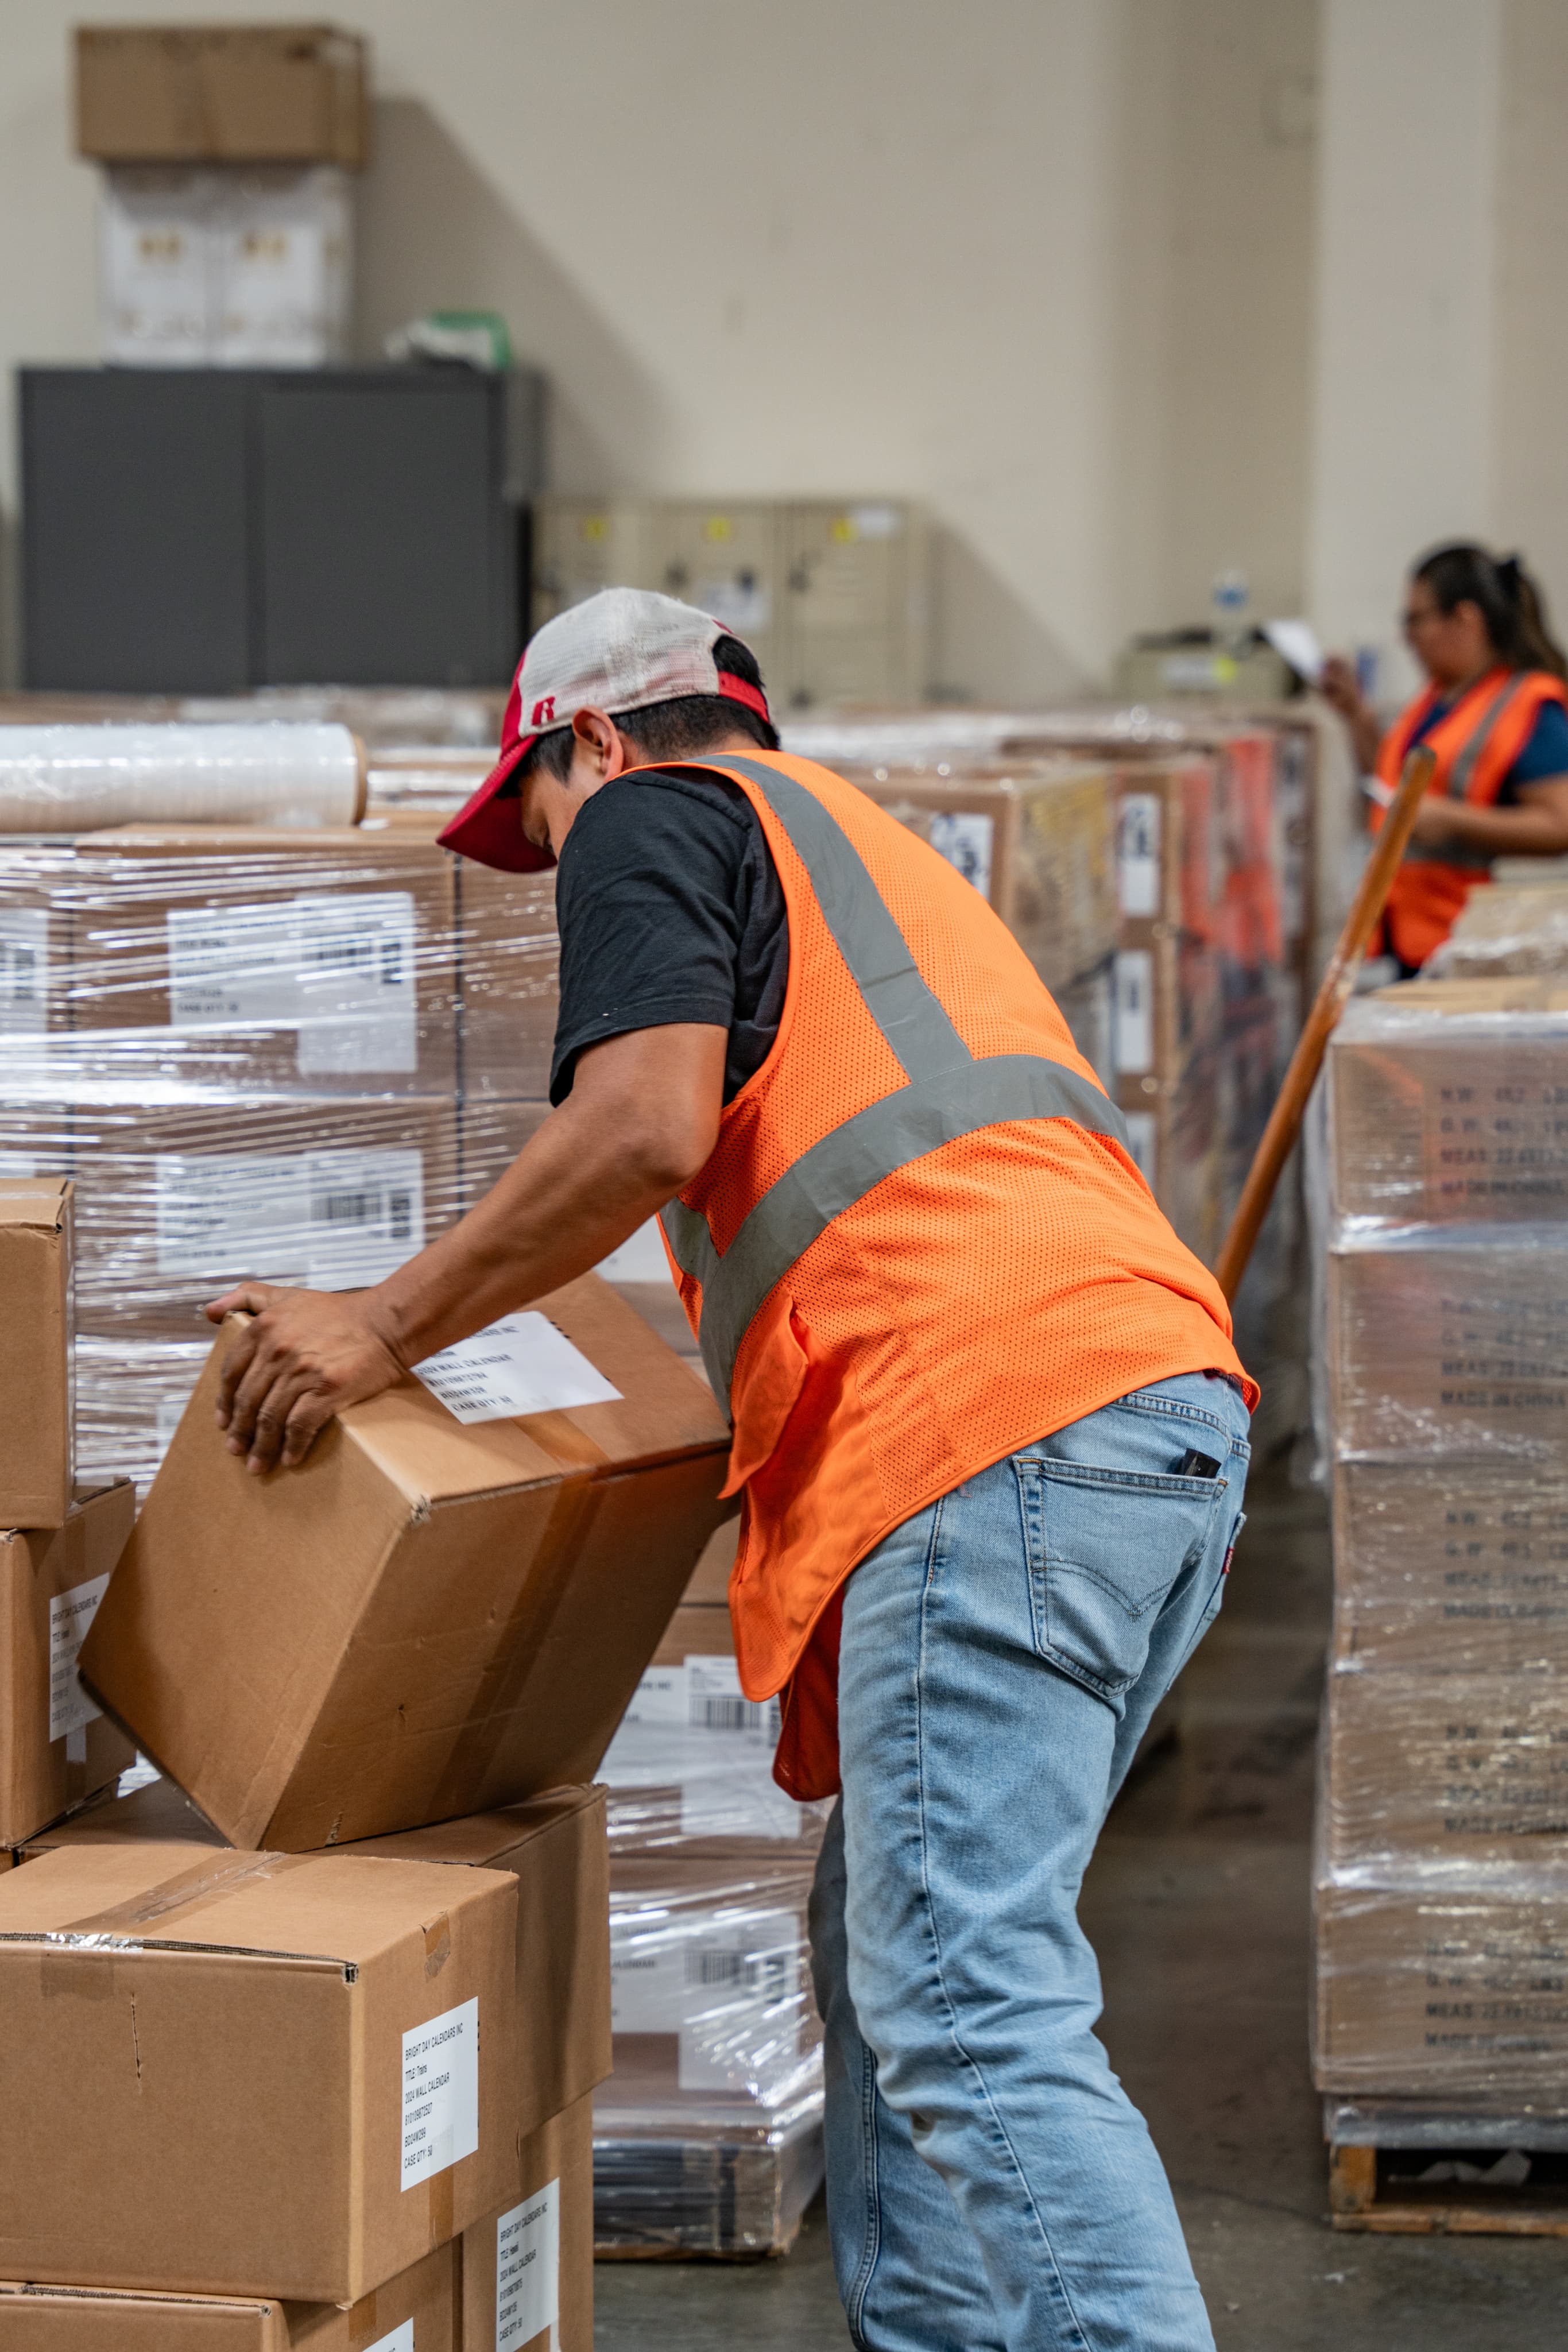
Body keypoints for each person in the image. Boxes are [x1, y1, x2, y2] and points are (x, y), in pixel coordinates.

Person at [204, 587, 1255, 2352]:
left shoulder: (650, 818)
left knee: (962, 2002)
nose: (551, 856)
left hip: (995, 1423)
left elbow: (641, 1123)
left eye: (532, 806)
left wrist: (381, 1331)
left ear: (595, 738)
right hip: (1146, 1420)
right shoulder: (856, 844)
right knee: (897, 1951)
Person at [1321, 542, 1568, 971]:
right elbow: (1396, 787)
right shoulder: (1436, 700)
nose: (1407, 636)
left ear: (1465, 619)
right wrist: (1356, 716)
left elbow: (1559, 823)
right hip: (1410, 936)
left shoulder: (1526, 705)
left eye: (1416, 619)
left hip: (1474, 943)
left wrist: (1451, 820)